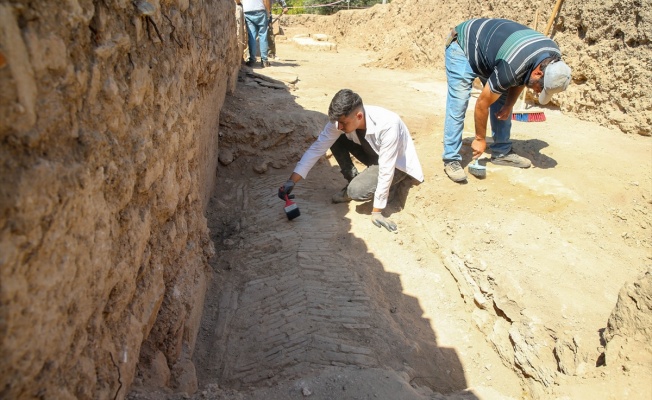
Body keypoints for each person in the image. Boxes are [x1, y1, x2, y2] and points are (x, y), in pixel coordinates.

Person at [442, 18, 572, 182]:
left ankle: (502, 152)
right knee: (458, 103)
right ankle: (451, 158)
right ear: (539, 73)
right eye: (541, 87)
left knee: (502, 99)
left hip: (494, 55)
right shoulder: (512, 66)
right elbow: (482, 103)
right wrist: (480, 139)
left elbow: (523, 77)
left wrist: (509, 104)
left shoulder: (553, 57)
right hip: (464, 45)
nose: (538, 91)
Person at [277, 89, 424, 232]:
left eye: (343, 123)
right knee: (334, 138)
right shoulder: (342, 121)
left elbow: (387, 170)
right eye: (338, 123)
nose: (339, 126)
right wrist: (292, 180)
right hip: (372, 154)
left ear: (359, 116)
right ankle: (353, 178)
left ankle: (353, 188)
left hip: (395, 165)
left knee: (356, 191)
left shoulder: (388, 125)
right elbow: (318, 148)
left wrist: (377, 211)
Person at [242, 0, 271, 68]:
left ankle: (252, 60)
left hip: (248, 12)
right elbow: (266, 0)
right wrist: (269, 13)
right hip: (260, 11)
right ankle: (264, 61)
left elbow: (237, 1)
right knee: (263, 35)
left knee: (252, 36)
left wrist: (240, 4)